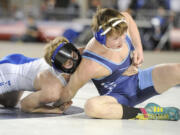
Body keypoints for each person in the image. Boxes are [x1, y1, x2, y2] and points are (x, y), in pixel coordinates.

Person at [59, 8, 180, 121]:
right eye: (116, 38)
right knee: (92, 107)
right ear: (101, 37)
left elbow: (128, 18)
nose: (122, 40)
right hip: (117, 98)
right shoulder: (90, 63)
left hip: (139, 80)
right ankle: (148, 113)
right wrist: (54, 104)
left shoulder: (119, 25)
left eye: (123, 34)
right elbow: (69, 91)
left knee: (177, 70)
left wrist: (138, 48)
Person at [0, 36, 83, 113]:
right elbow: (25, 105)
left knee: (9, 103)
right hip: (7, 71)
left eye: (75, 56)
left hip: (18, 65)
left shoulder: (80, 55)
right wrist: (54, 110)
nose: (75, 62)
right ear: (62, 68)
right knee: (53, 94)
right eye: (69, 63)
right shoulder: (53, 89)